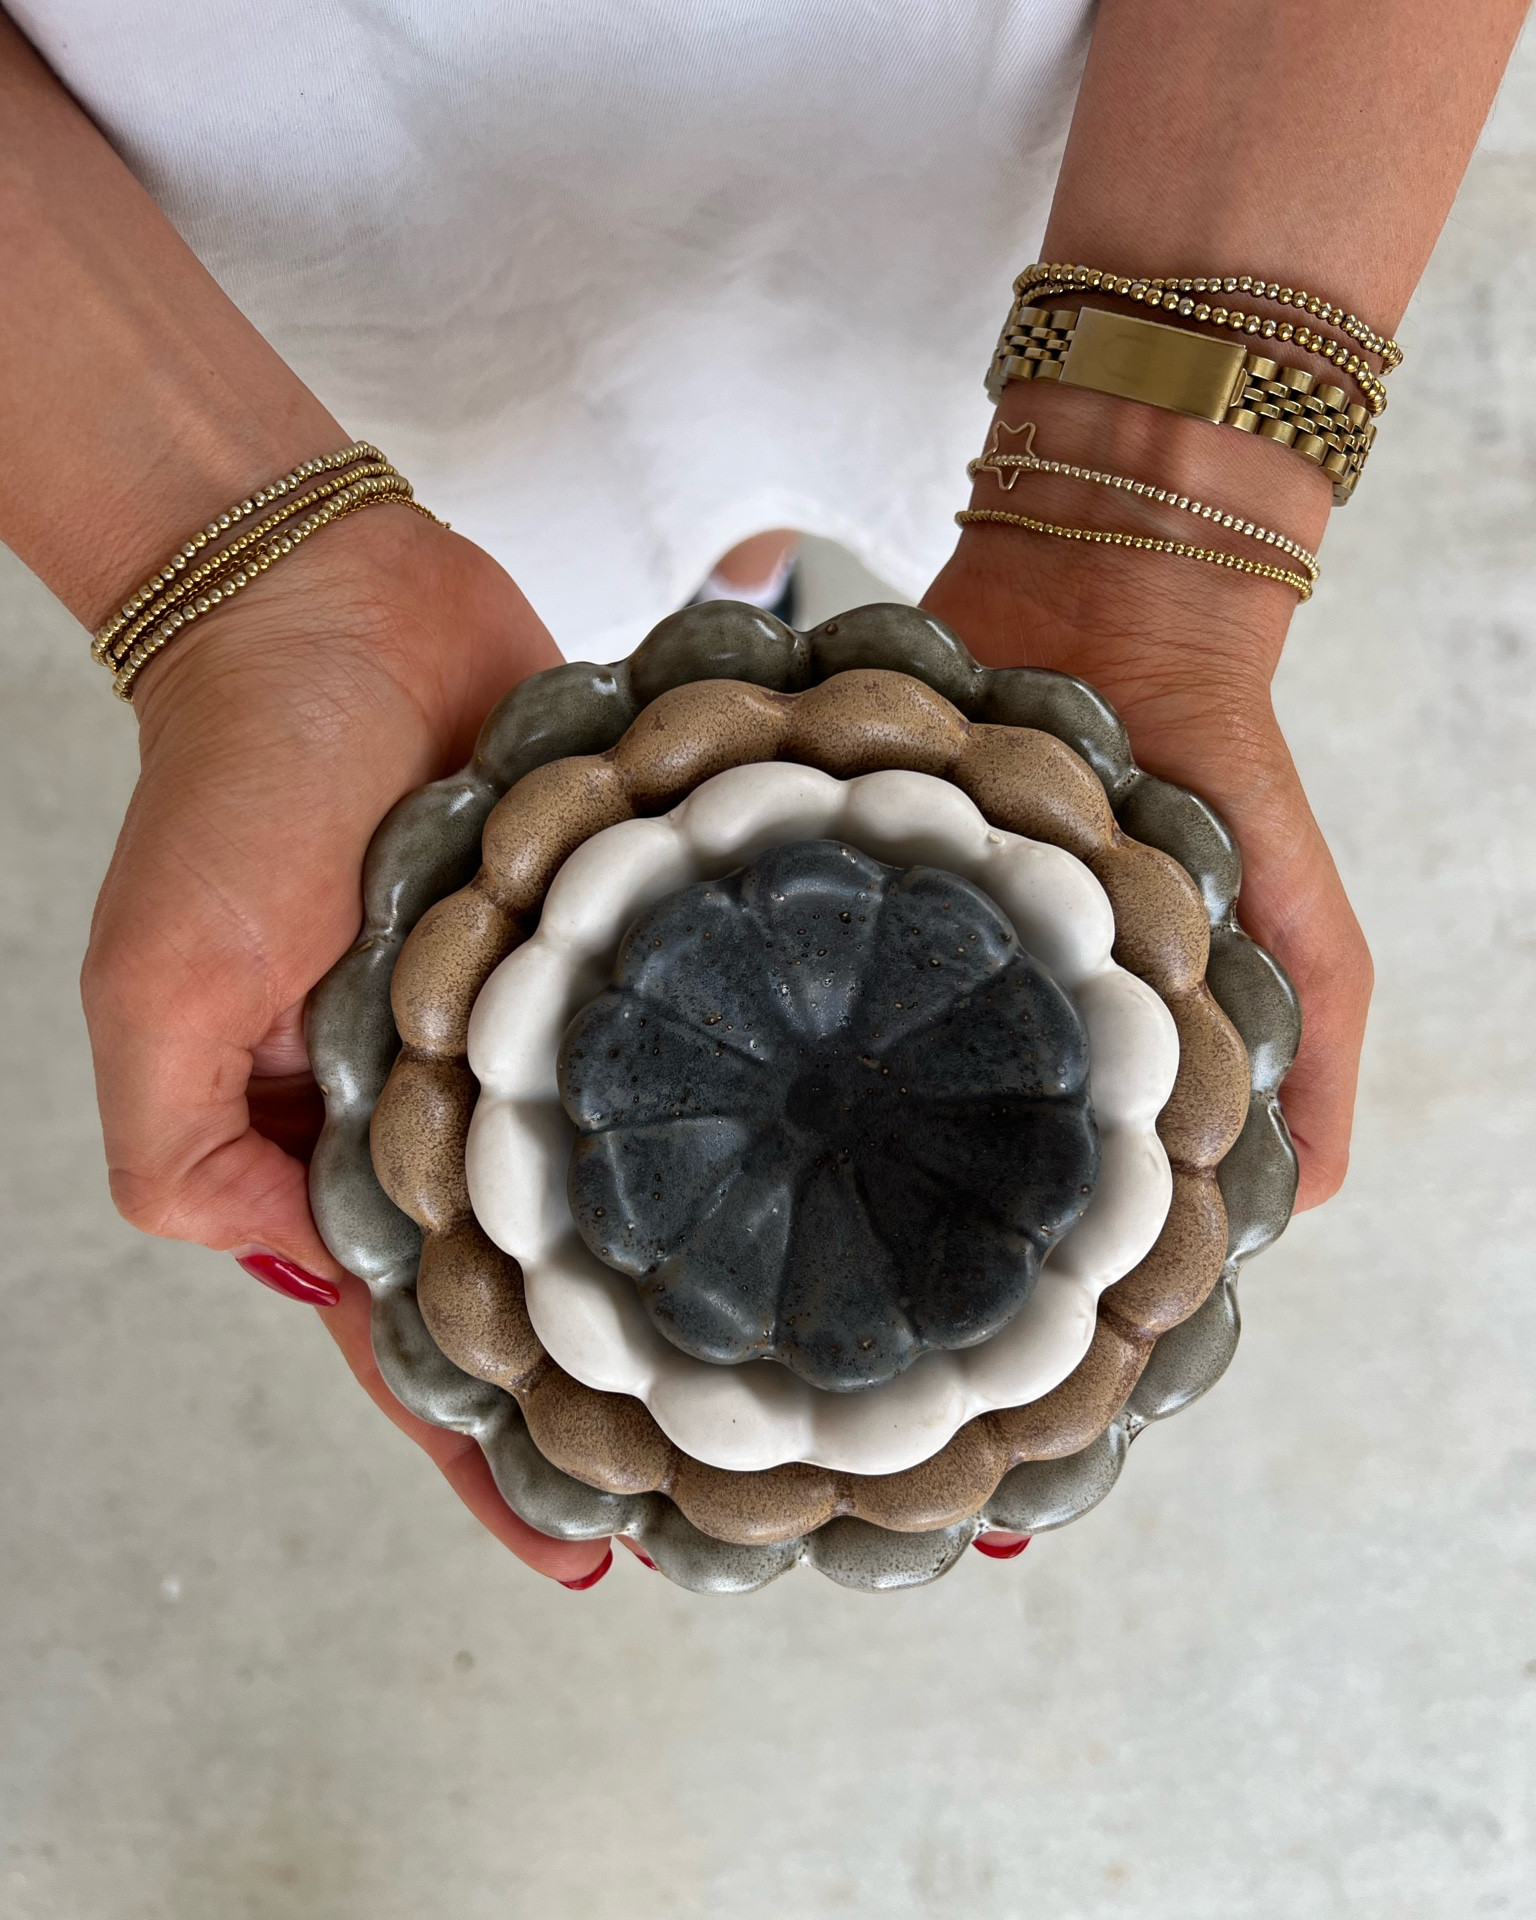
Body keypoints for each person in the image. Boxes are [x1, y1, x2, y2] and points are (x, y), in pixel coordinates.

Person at [0, 2, 1525, 1588]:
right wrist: (1141, 543)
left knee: (759, 388)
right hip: (302, 156)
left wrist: (242, 576)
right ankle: (715, 611)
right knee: (541, 416)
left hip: (1133, 117)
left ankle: (727, 607)